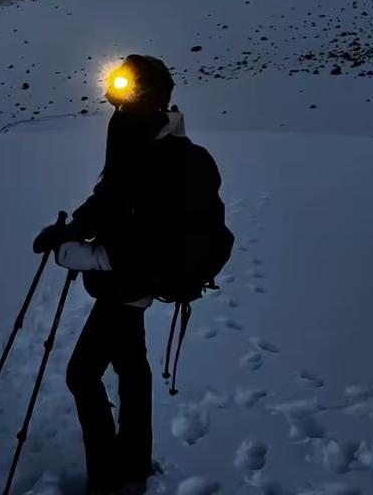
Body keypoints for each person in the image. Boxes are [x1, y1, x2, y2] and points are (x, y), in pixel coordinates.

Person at [32, 55, 228, 495]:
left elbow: (158, 238)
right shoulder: (132, 134)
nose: (120, 102)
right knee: (131, 367)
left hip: (134, 281)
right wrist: (73, 230)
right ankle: (134, 466)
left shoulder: (176, 160)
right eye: (119, 94)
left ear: (157, 98)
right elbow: (109, 196)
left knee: (82, 374)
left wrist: (94, 257)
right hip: (125, 282)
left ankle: (108, 478)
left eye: (130, 92)